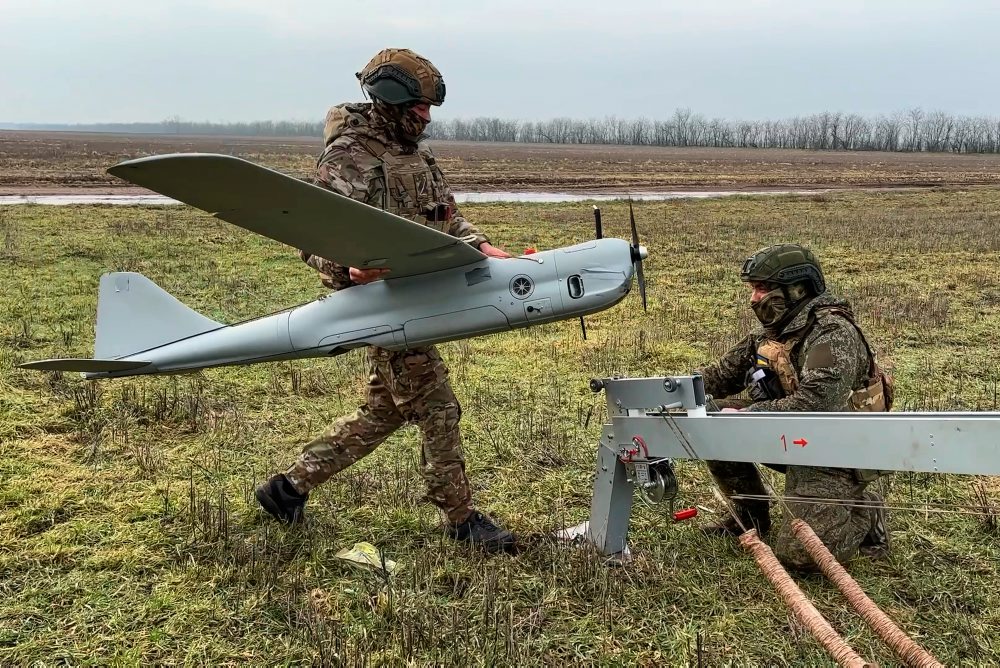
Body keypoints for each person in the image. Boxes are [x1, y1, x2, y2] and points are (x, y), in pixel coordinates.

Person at [255, 48, 515, 553]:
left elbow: (443, 213)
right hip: (385, 306)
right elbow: (311, 236)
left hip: (418, 298)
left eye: (428, 108)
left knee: (383, 412)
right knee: (438, 408)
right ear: (391, 101)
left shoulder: (414, 149)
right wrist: (346, 269)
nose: (427, 116)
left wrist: (481, 244)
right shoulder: (350, 155)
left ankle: (286, 490)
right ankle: (461, 521)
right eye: (418, 107)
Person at [697, 244, 892, 570]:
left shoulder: (833, 333)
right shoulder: (770, 335)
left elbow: (818, 404)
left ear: (796, 289)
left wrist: (746, 416)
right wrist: (665, 391)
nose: (753, 299)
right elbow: (717, 377)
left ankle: (865, 511)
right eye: (753, 289)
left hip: (839, 451)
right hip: (798, 437)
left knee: (799, 554)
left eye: (762, 289)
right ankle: (748, 518)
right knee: (711, 416)